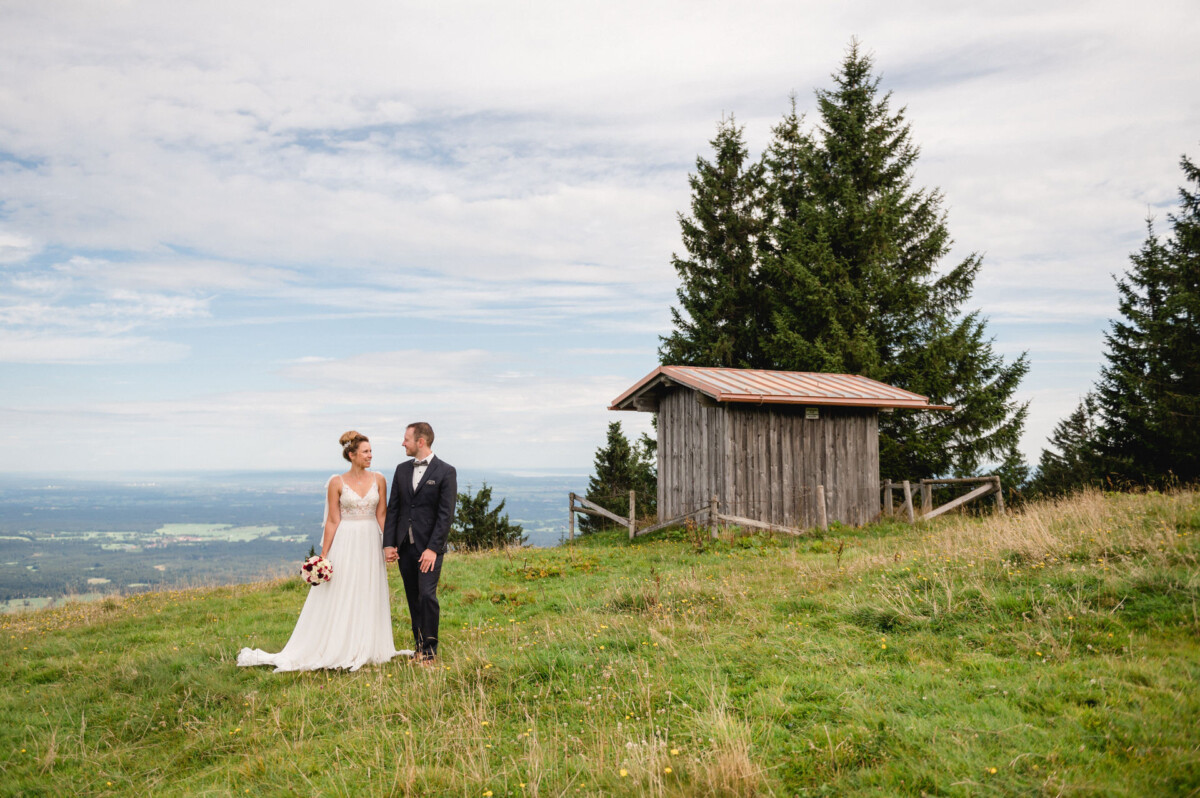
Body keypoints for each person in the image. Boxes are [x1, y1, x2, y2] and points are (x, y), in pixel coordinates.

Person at [237, 431, 409, 671]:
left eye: (371, 451)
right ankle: (339, 642)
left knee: (367, 586)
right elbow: (332, 520)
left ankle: (367, 643)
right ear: (352, 455)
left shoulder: (379, 479)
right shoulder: (336, 482)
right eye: (366, 452)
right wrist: (324, 555)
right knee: (343, 588)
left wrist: (388, 544)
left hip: (371, 539)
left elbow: (382, 515)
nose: (371, 455)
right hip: (346, 540)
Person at [383, 422, 457, 664]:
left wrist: (433, 549)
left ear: (421, 441)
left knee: (427, 596)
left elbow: (445, 515)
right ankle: (419, 647)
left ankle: (430, 651)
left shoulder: (446, 471)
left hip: (430, 549)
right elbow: (393, 509)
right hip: (405, 546)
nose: (403, 443)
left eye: (406, 439)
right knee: (413, 597)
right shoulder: (401, 469)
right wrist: (389, 544)